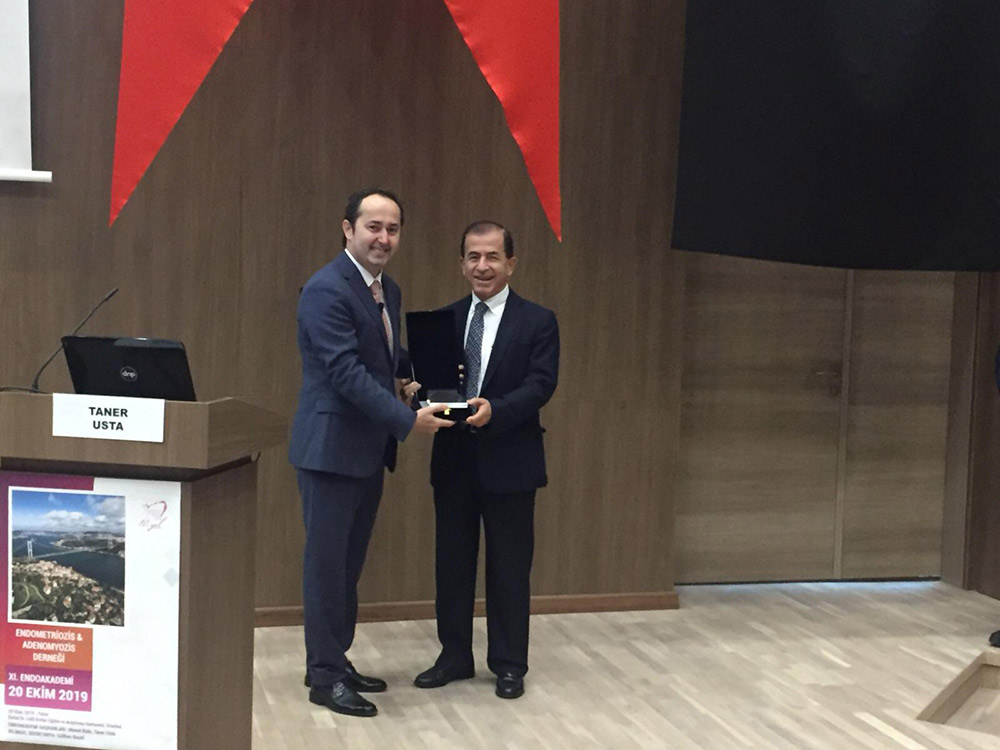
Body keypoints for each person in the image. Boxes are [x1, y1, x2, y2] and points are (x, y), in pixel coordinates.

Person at [289, 188, 453, 718]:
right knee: (326, 568)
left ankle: (335, 659)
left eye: (393, 229)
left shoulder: (386, 289)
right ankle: (324, 677)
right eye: (373, 227)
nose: (383, 238)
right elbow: (345, 372)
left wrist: (413, 374)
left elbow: (378, 356)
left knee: (347, 567)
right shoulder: (326, 289)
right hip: (329, 451)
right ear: (348, 229)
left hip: (364, 451)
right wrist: (407, 420)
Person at [414, 220, 559, 699]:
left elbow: (541, 384)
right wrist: (417, 395)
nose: (482, 266)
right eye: (473, 257)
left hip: (512, 461)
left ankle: (510, 664)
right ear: (461, 264)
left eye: (492, 256)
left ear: (510, 263)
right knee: (452, 566)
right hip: (453, 461)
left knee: (509, 569)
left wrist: (497, 410)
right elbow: (433, 386)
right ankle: (454, 656)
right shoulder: (443, 320)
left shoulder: (538, 321)